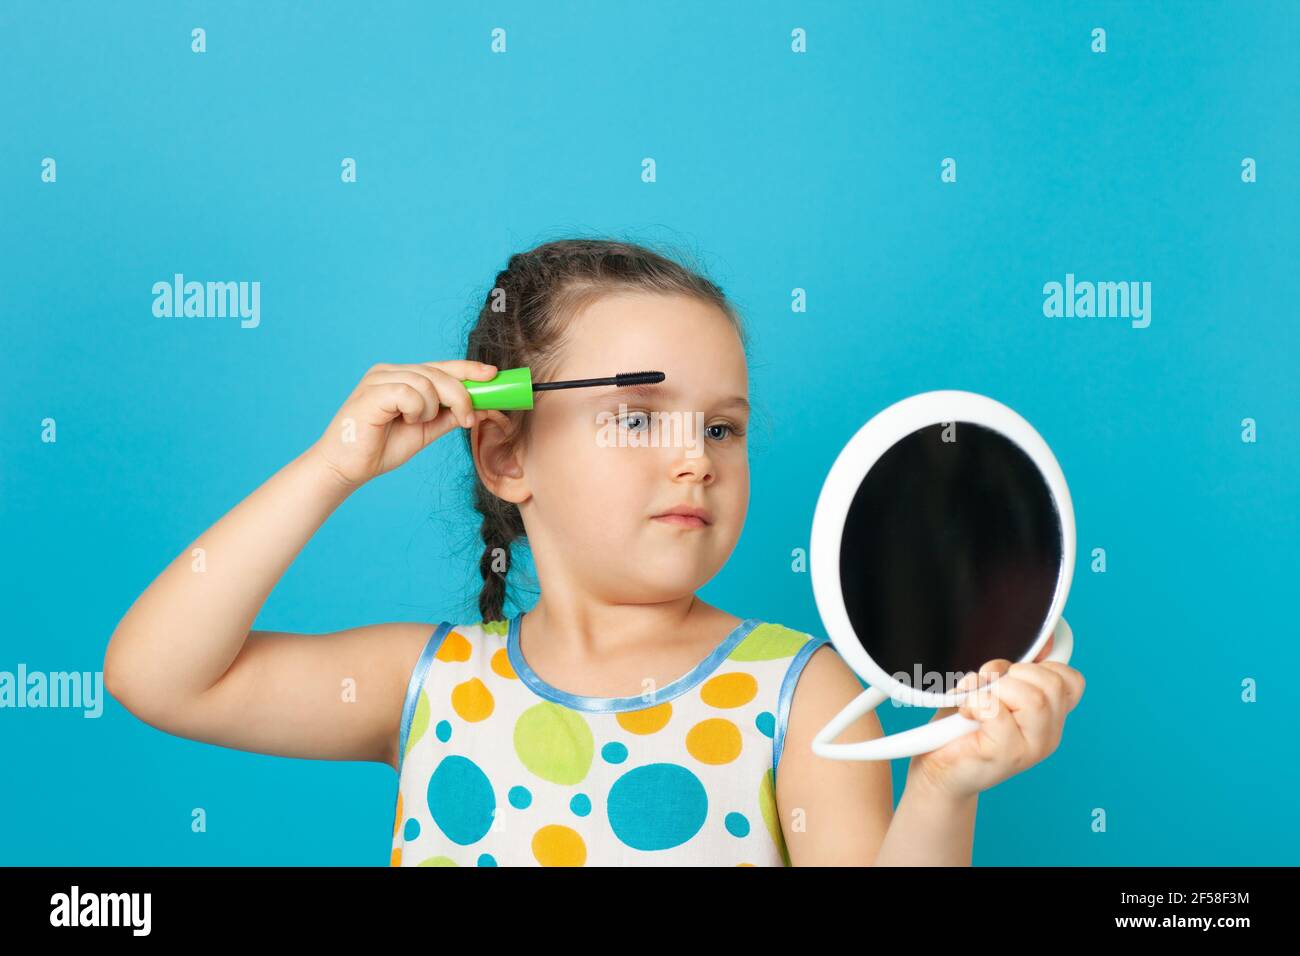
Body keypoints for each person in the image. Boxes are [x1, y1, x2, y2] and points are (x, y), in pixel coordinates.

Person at [104, 238, 1085, 866]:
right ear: (505, 451)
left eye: (723, 428)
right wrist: (332, 466)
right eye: (637, 417)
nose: (694, 460)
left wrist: (942, 788)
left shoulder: (803, 694)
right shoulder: (426, 682)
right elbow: (158, 676)